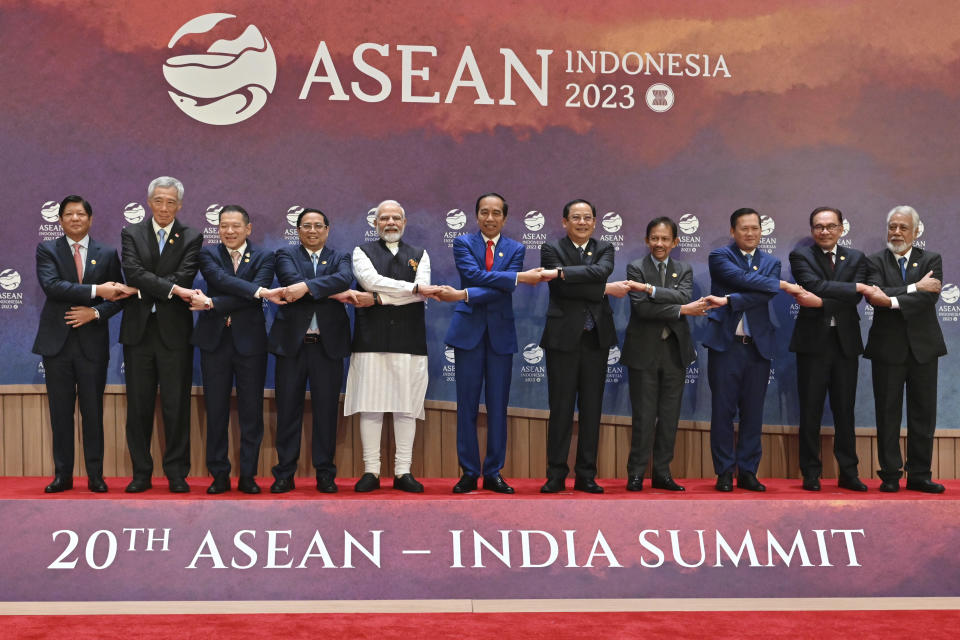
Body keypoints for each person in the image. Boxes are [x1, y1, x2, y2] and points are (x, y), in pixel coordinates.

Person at [434, 192, 547, 494]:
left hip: (500, 335)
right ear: (477, 215)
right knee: (466, 406)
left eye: (496, 213)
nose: (490, 218)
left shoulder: (516, 248)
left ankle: (494, 471)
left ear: (505, 218)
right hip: (468, 333)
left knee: (498, 406)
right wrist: (514, 278)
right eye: (484, 212)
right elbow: (472, 275)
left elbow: (501, 290)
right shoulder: (463, 243)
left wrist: (467, 293)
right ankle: (469, 471)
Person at [32, 195, 132, 493]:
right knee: (60, 413)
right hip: (57, 345)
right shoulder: (47, 249)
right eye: (69, 214)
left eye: (80, 214)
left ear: (90, 219)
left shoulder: (107, 252)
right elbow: (53, 286)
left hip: (92, 345)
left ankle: (95, 476)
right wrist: (95, 290)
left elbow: (120, 297)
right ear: (60, 220)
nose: (75, 219)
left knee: (93, 412)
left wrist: (96, 310)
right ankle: (62, 475)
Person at [702, 208, 803, 492]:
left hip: (758, 346)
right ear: (733, 231)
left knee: (753, 412)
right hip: (725, 345)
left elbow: (763, 293)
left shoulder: (771, 261)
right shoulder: (720, 256)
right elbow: (744, 281)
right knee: (722, 411)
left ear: (761, 231)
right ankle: (724, 472)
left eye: (755, 229)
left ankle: (747, 471)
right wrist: (779, 284)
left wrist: (730, 300)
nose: (750, 233)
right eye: (744, 229)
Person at [344, 200, 439, 493]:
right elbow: (369, 280)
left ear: (405, 222)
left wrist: (379, 298)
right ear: (375, 224)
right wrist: (410, 289)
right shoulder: (362, 252)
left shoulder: (420, 255)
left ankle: (403, 472)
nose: (390, 222)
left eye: (396, 218)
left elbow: (423, 294)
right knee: (370, 406)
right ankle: (371, 471)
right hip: (371, 338)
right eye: (384, 218)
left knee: (406, 408)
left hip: (409, 340)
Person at [268, 208, 365, 494]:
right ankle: (284, 473)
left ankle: (325, 473)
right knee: (287, 411)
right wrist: (327, 290)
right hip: (291, 346)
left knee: (326, 413)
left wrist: (305, 288)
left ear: (327, 229)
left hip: (328, 346)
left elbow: (343, 278)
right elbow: (288, 281)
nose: (312, 230)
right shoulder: (285, 255)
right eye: (306, 226)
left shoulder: (341, 257)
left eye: (318, 226)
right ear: (298, 230)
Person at [538, 199, 630, 494]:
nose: (581, 222)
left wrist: (565, 272)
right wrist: (600, 288)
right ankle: (555, 474)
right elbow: (561, 288)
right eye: (575, 218)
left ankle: (586, 475)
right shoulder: (551, 249)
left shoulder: (605, 248)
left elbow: (600, 271)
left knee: (591, 409)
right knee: (561, 408)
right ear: (564, 222)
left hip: (596, 339)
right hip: (562, 339)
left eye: (587, 218)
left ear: (594, 222)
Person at [190, 205, 281, 494]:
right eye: (223, 226)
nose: (229, 231)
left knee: (251, 412)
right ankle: (219, 475)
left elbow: (256, 293)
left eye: (235, 226)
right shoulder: (207, 254)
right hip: (214, 342)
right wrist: (253, 291)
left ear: (248, 228)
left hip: (250, 343)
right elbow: (221, 281)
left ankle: (248, 476)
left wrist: (213, 303)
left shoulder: (266, 257)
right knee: (215, 410)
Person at [120, 177, 202, 493]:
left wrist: (148, 287)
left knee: (176, 405)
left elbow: (185, 275)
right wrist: (171, 288)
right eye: (158, 200)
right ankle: (141, 473)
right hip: (138, 333)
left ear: (179, 205)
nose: (164, 207)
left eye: (171, 202)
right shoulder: (132, 232)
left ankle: (177, 473)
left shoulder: (192, 236)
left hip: (174, 333)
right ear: (148, 202)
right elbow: (133, 272)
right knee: (138, 407)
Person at [621, 216, 710, 492]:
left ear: (675, 242)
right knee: (644, 416)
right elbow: (643, 310)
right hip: (643, 351)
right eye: (655, 238)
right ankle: (636, 473)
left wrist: (652, 292)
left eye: (665, 239)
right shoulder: (635, 267)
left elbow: (684, 295)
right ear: (647, 240)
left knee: (670, 416)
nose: (659, 244)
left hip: (675, 351)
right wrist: (682, 310)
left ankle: (662, 472)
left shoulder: (684, 269)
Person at [862, 205, 947, 493]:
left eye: (903, 227)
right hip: (887, 350)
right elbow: (874, 296)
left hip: (923, 349)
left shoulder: (931, 259)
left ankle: (920, 475)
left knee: (923, 415)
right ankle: (889, 475)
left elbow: (929, 299)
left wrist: (891, 300)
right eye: (892, 227)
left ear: (916, 231)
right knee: (887, 413)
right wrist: (913, 288)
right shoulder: (874, 261)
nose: (897, 232)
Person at [788, 206, 870, 492]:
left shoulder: (858, 257)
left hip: (845, 344)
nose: (825, 231)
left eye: (830, 226)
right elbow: (811, 284)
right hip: (812, 344)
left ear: (841, 228)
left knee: (845, 411)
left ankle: (849, 472)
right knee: (809, 410)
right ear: (812, 230)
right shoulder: (801, 256)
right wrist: (851, 288)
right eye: (819, 226)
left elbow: (854, 298)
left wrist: (822, 300)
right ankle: (811, 473)